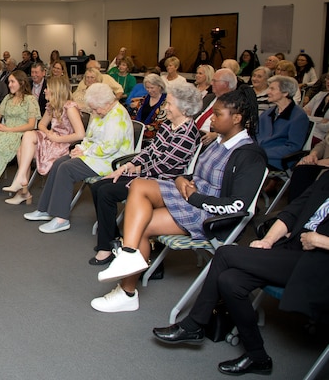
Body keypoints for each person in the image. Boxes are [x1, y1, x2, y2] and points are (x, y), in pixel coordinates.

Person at [92, 87, 267, 313]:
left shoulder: (249, 155)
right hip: (191, 198)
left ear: (237, 119)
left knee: (140, 224)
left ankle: (127, 288)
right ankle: (128, 257)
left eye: (217, 114)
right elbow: (192, 174)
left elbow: (238, 205)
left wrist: (195, 196)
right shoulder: (218, 142)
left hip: (210, 215)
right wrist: (182, 180)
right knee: (138, 186)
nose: (211, 118)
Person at [152, 172, 329, 376]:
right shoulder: (325, 178)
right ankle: (258, 357)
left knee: (225, 253)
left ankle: (194, 325)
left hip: (319, 262)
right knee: (230, 281)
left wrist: (320, 241)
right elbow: (291, 213)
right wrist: (268, 241)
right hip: (293, 249)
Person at [90, 84, 201, 265]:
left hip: (162, 184)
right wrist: (128, 166)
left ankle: (106, 248)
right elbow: (150, 151)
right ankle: (113, 238)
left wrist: (136, 171)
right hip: (148, 174)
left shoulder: (188, 134)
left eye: (169, 104)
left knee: (106, 192)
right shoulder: (168, 126)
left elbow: (164, 167)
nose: (165, 108)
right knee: (98, 186)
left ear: (184, 107)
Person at [24, 83, 134, 234]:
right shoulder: (101, 110)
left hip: (111, 160)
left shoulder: (118, 116)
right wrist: (81, 148)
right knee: (58, 163)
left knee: (67, 168)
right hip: (95, 155)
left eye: (96, 109)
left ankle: (61, 218)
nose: (94, 112)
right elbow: (89, 136)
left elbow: (109, 147)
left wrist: (85, 152)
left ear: (108, 103)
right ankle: (45, 209)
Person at [4, 76, 85, 205]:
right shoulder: (52, 106)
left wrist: (58, 138)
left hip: (64, 143)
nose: (44, 91)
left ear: (55, 90)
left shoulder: (70, 107)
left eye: (47, 88)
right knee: (28, 136)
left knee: (21, 150)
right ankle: (21, 181)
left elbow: (80, 134)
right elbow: (41, 125)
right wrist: (48, 132)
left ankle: (23, 188)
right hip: (52, 139)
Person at [257, 75, 309, 171]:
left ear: (285, 93)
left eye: (272, 89)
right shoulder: (267, 113)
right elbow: (255, 134)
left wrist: (262, 152)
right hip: (258, 154)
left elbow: (293, 147)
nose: (268, 92)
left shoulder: (298, 117)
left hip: (277, 159)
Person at [194, 68, 237, 143]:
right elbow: (194, 115)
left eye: (214, 81)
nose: (211, 83)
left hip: (208, 140)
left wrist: (216, 135)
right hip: (194, 132)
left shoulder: (234, 103)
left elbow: (234, 128)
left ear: (225, 84)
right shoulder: (209, 97)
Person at [290, 131, 329, 202]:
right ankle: (292, 209)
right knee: (301, 170)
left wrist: (317, 162)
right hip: (322, 167)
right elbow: (324, 144)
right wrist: (313, 155)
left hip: (325, 170)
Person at [129, 73, 167, 144]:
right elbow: (134, 115)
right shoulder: (144, 99)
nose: (149, 90)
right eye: (147, 88)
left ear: (160, 86)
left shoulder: (166, 102)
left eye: (152, 88)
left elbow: (160, 124)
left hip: (152, 137)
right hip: (137, 131)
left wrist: (142, 129)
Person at [305, 73, 329, 139]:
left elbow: (326, 128)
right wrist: (320, 120)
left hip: (322, 138)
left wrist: (309, 118)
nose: (328, 82)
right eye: (328, 79)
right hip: (307, 131)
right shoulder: (320, 95)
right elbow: (303, 114)